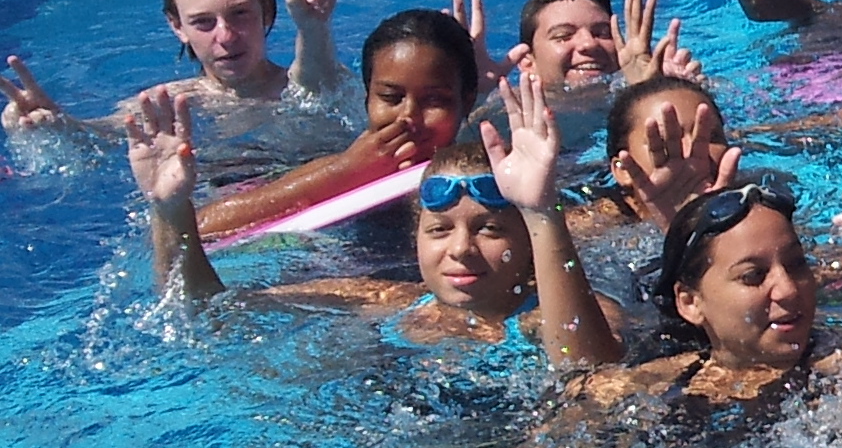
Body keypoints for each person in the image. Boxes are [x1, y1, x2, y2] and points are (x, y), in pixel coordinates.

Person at [128, 73, 621, 372]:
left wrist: (542, 212)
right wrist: (171, 212)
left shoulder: (571, 313)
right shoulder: (386, 301)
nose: (460, 250)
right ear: (416, 241)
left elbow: (587, 372)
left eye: (489, 229)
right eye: (439, 229)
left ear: (529, 242)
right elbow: (209, 310)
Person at [558, 181, 842, 448]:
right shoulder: (654, 382)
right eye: (753, 276)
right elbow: (571, 382)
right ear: (689, 302)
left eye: (795, 265)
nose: (789, 289)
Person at [4, 0, 342, 133]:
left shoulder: (301, 84)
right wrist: (56, 124)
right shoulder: (171, 103)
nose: (225, 36)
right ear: (177, 27)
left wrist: (312, 27)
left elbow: (317, 79)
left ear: (266, 13)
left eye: (239, 14)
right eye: (203, 22)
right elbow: (100, 137)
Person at [195, 9, 485, 240]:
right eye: (390, 97)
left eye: (434, 100)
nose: (407, 115)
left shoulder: (487, 177)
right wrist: (348, 171)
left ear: (467, 101)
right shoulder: (346, 166)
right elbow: (202, 228)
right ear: (367, 99)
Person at [447, 0, 698, 91]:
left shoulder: (638, 91)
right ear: (528, 62)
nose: (588, 44)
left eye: (601, 33)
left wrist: (666, 91)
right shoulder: (510, 112)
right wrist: (470, 98)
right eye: (563, 36)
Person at [578, 75, 742, 234]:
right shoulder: (592, 228)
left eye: (711, 136)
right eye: (663, 141)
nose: (692, 153)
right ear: (623, 170)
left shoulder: (758, 200)